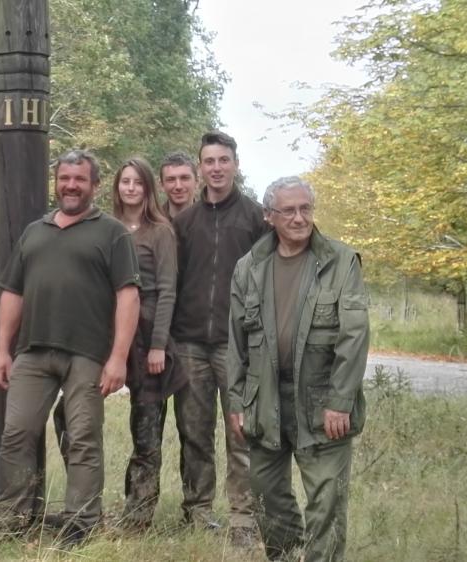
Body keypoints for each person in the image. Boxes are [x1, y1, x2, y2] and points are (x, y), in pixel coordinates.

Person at [0, 149, 141, 546]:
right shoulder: (34, 231)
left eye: (79, 179)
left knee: (82, 438)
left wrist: (118, 358)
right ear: (56, 182)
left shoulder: (112, 233)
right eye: (65, 178)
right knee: (16, 434)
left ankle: (81, 523)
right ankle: (11, 518)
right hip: (32, 350)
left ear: (94, 185)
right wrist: (2, 350)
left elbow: (128, 296)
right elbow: (12, 292)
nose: (71, 185)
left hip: (87, 353)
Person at [228, 176, 369, 561]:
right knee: (266, 493)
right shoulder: (249, 267)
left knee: (327, 502)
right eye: (288, 210)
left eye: (305, 208)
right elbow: (236, 340)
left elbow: (354, 336)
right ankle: (286, 556)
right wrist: (237, 401)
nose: (299, 218)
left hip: (323, 401)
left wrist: (340, 400)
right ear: (268, 216)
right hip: (265, 399)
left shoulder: (341, 262)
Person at [50, 156, 185, 528]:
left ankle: (137, 517)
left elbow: (168, 291)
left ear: (147, 188)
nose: (131, 188)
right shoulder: (104, 227)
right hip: (104, 333)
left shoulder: (160, 232)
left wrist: (158, 344)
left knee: (146, 430)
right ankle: (86, 502)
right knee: (66, 415)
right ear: (116, 186)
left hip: (147, 337)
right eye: (125, 181)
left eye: (138, 182)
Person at [170, 131, 268, 543]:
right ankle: (197, 511)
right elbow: (171, 282)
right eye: (209, 161)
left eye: (223, 160)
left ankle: (244, 518)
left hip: (237, 345)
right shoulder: (183, 222)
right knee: (194, 431)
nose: (216, 168)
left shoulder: (256, 218)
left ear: (235, 165)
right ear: (200, 168)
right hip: (189, 342)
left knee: (241, 433)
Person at [158, 152, 197, 218]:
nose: (178, 186)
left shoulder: (212, 219)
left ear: (197, 182)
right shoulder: (151, 221)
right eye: (171, 179)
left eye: (184, 178)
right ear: (161, 185)